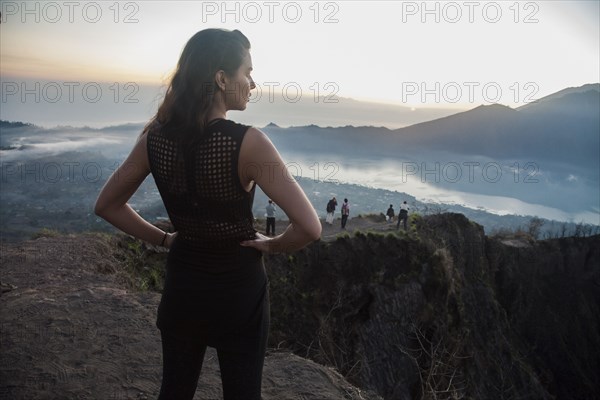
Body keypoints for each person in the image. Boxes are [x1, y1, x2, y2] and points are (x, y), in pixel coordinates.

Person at [94, 29, 321, 400]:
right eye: (247, 72)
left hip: (184, 287)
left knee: (175, 391)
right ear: (221, 79)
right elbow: (310, 228)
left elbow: (107, 205)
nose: (253, 83)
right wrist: (272, 245)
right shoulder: (247, 142)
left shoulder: (156, 137)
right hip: (239, 294)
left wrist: (165, 239)